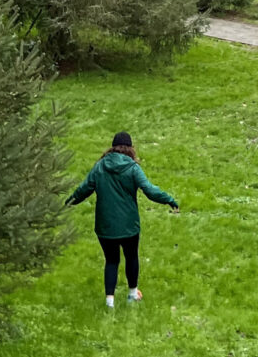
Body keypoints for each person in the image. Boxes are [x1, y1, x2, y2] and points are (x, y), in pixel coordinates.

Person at [66, 131, 179, 307]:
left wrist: (68, 203)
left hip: (106, 226)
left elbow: (84, 189)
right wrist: (169, 200)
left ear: (112, 148)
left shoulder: (100, 166)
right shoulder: (133, 168)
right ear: (130, 149)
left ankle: (109, 302)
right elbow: (149, 190)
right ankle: (133, 294)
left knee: (111, 260)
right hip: (129, 226)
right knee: (131, 257)